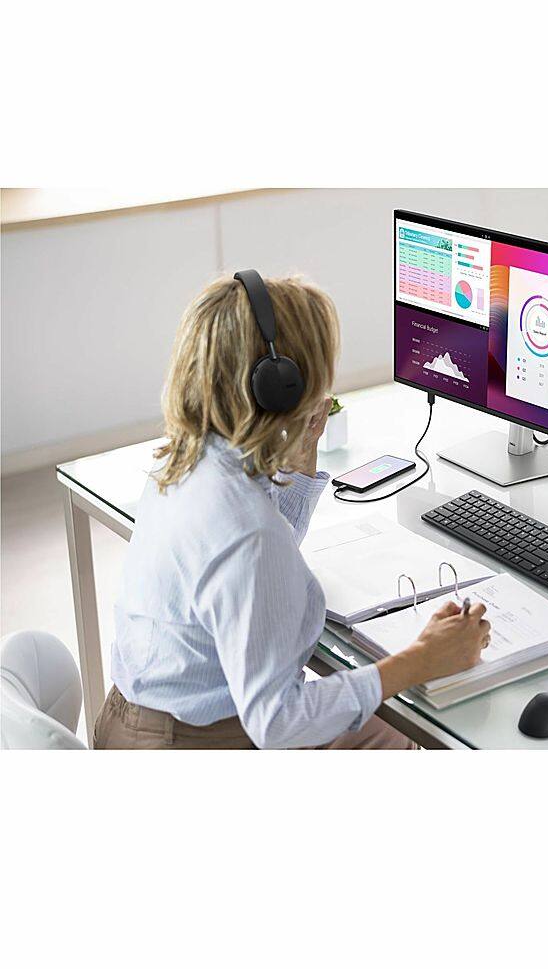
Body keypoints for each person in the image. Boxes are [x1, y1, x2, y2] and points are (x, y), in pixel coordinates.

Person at [94, 273, 490, 749]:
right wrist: (421, 659)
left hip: (134, 721)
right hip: (193, 744)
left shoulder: (192, 458)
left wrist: (301, 456)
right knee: (416, 743)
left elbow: (254, 572)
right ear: (279, 384)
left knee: (384, 731)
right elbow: (278, 722)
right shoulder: (245, 530)